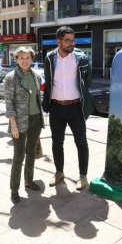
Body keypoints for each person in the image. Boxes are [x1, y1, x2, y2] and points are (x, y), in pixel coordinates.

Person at [42, 26, 94, 191]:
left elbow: (88, 81)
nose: (72, 43)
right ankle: (59, 172)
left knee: (81, 142)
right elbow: (49, 81)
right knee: (57, 142)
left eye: (73, 40)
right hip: (56, 108)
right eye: (68, 40)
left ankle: (83, 176)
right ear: (59, 41)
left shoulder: (81, 58)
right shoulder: (50, 58)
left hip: (76, 108)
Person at [4, 46, 44, 204]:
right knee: (18, 157)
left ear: (32, 59)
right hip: (19, 122)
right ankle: (14, 190)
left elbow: (36, 98)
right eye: (21, 58)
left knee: (31, 152)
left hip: (35, 120)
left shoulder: (36, 76)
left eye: (27, 58)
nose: (25, 61)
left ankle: (29, 180)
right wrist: (12, 124)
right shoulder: (10, 77)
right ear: (16, 59)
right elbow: (9, 103)